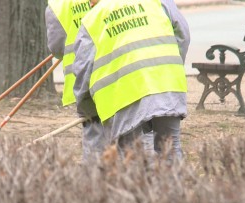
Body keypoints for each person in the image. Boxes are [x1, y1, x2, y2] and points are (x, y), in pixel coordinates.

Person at [73, 0, 190, 161]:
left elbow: (83, 69)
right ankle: (173, 185)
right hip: (167, 83)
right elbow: (183, 35)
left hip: (126, 94)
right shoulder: (158, 1)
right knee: (170, 148)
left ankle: (140, 185)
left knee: (131, 155)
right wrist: (172, 67)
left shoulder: (94, 18)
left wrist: (86, 109)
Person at [45, 0, 110, 162]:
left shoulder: (59, 4)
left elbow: (56, 47)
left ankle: (96, 179)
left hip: (84, 76)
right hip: (118, 69)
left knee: (95, 131)